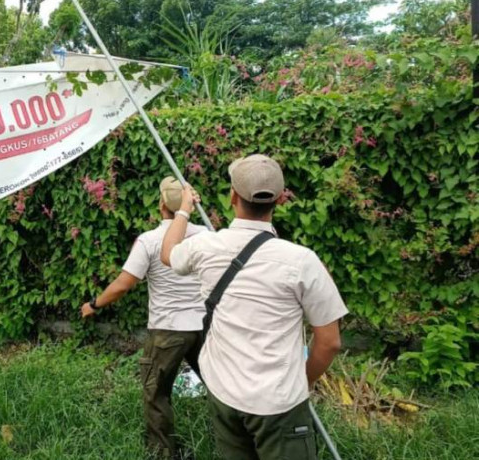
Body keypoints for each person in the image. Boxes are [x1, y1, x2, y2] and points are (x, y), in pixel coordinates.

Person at [160, 155, 348, 460]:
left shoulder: (206, 246)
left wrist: (183, 209)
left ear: (233, 197)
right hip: (279, 403)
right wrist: (302, 383)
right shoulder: (302, 261)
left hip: (223, 394)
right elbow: (329, 342)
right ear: (279, 200)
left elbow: (168, 253)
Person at [81, 176, 207, 459]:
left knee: (156, 393)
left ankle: (163, 453)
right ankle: (236, 444)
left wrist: (94, 304)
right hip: (203, 327)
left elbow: (124, 284)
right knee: (223, 387)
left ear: (162, 204)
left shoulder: (150, 241)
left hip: (167, 331)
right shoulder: (207, 236)